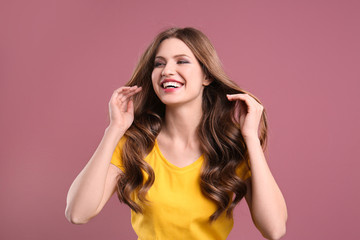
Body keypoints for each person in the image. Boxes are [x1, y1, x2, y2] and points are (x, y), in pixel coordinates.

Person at [65, 27, 287, 240]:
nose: (167, 71)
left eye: (181, 61)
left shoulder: (231, 148)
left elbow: (274, 229)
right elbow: (77, 213)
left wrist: (250, 139)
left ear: (206, 76)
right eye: (159, 64)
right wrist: (114, 130)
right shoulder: (134, 144)